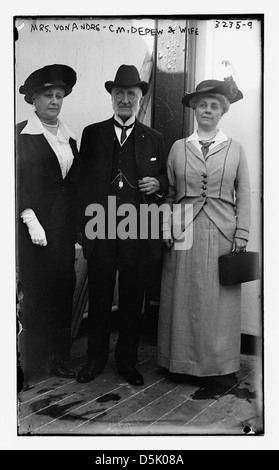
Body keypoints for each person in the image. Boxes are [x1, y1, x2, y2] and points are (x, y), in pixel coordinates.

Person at [77, 64, 168, 386]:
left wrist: (158, 184)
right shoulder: (92, 133)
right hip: (100, 230)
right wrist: (84, 233)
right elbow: (80, 184)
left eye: (132, 93)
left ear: (141, 98)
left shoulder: (154, 138)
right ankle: (94, 360)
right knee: (99, 297)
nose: (125, 99)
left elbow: (166, 182)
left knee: (132, 299)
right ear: (112, 98)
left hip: (138, 231)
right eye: (119, 93)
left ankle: (127, 362)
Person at [157, 77, 251, 379]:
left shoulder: (235, 149)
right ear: (194, 110)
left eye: (214, 106)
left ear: (221, 111)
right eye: (202, 106)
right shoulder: (178, 148)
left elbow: (244, 193)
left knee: (217, 303)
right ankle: (179, 363)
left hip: (222, 231)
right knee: (182, 298)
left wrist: (242, 233)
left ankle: (219, 366)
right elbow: (170, 194)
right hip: (184, 232)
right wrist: (167, 228)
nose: (207, 110)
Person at [16, 64, 81, 383]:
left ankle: (58, 358)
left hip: (63, 229)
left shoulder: (70, 139)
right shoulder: (19, 135)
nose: (54, 101)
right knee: (35, 292)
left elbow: (74, 184)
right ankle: (30, 363)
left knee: (62, 290)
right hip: (32, 230)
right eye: (47, 95)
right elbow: (15, 183)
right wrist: (30, 219)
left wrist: (80, 227)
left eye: (59, 95)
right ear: (33, 99)